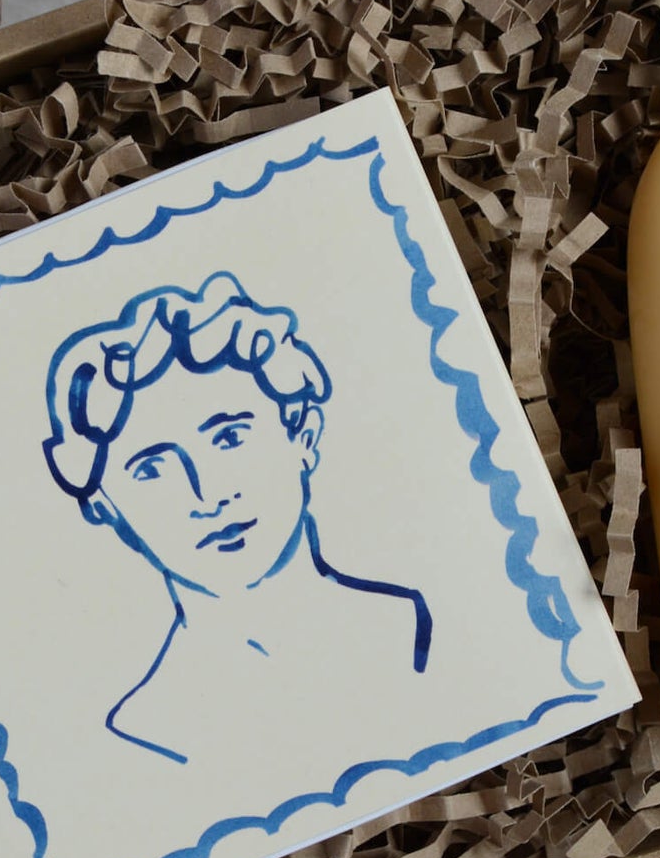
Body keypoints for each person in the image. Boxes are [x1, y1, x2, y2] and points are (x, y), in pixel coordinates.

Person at [43, 271, 432, 766]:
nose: (207, 494)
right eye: (150, 470)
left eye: (229, 437)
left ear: (303, 437)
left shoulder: (410, 624)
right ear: (105, 509)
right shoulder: (147, 729)